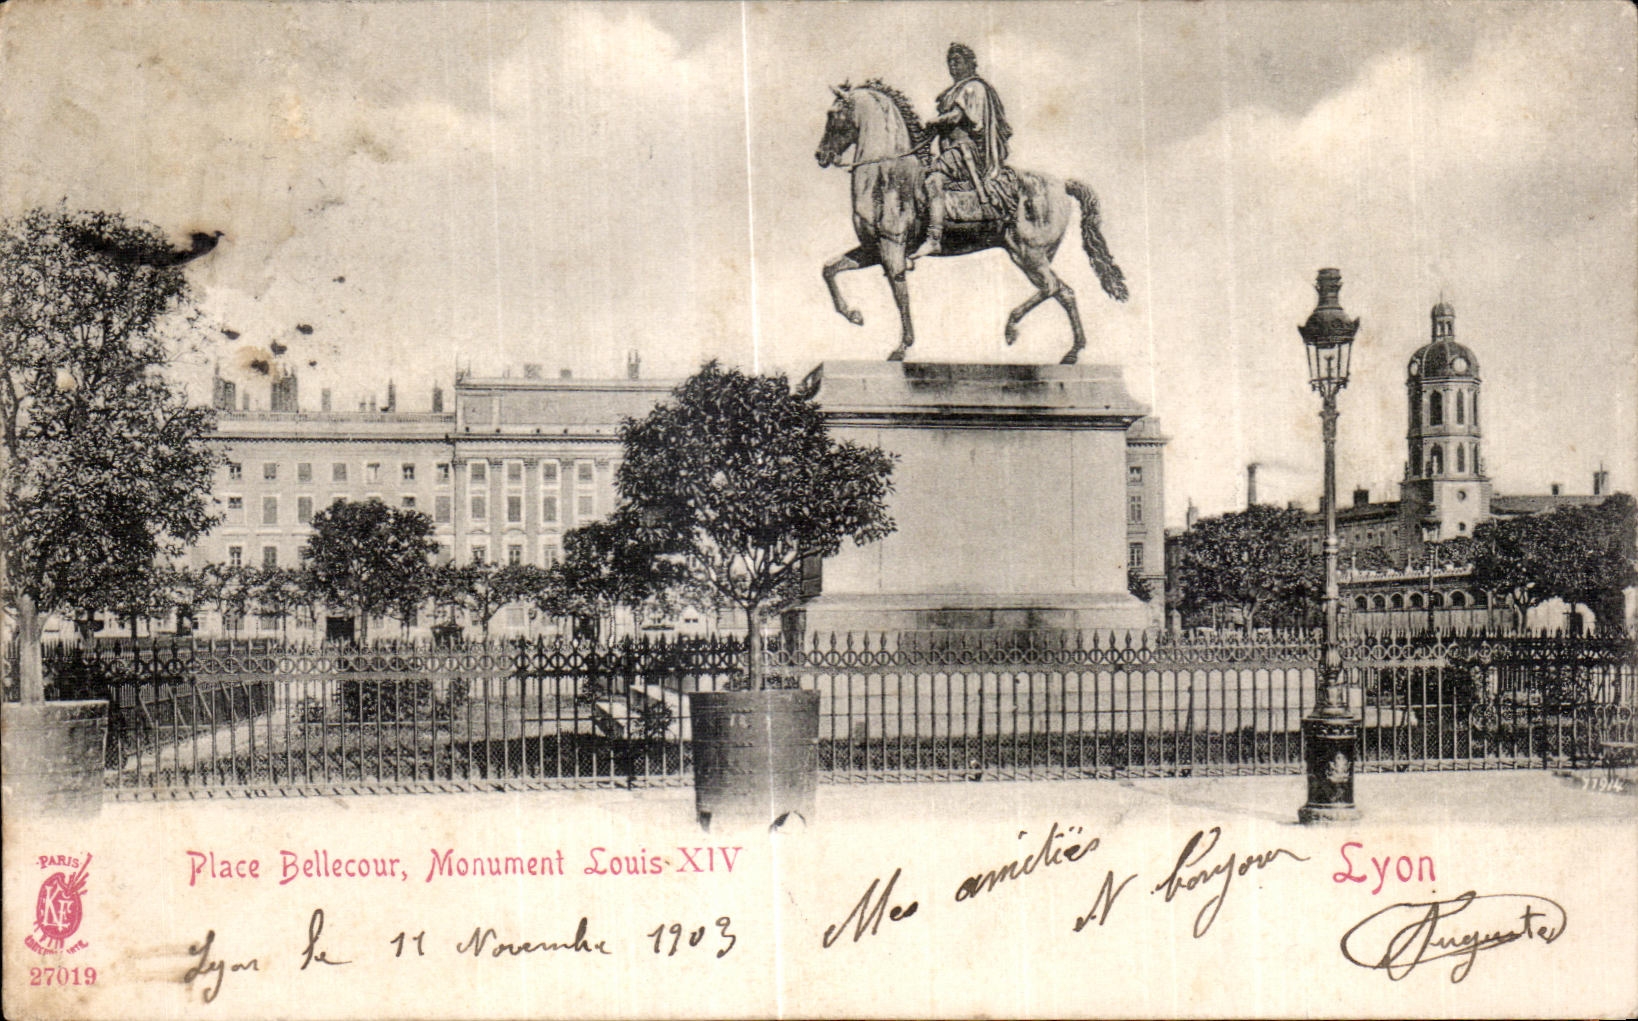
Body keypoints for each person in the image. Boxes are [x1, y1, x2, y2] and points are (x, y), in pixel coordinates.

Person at [913, 43, 1013, 260]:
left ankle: (934, 238)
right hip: (949, 152)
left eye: (957, 62)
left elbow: (957, 117)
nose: (952, 66)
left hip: (964, 152)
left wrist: (934, 121)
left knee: (933, 181)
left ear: (970, 64)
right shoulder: (953, 91)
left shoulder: (973, 87)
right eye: (950, 62)